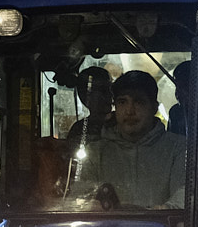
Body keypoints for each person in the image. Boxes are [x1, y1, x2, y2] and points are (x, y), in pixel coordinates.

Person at [70, 69, 188, 208]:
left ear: (154, 107)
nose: (129, 111)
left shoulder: (180, 150)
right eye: (122, 102)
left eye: (138, 102)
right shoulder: (95, 154)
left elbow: (183, 201)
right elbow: (80, 202)